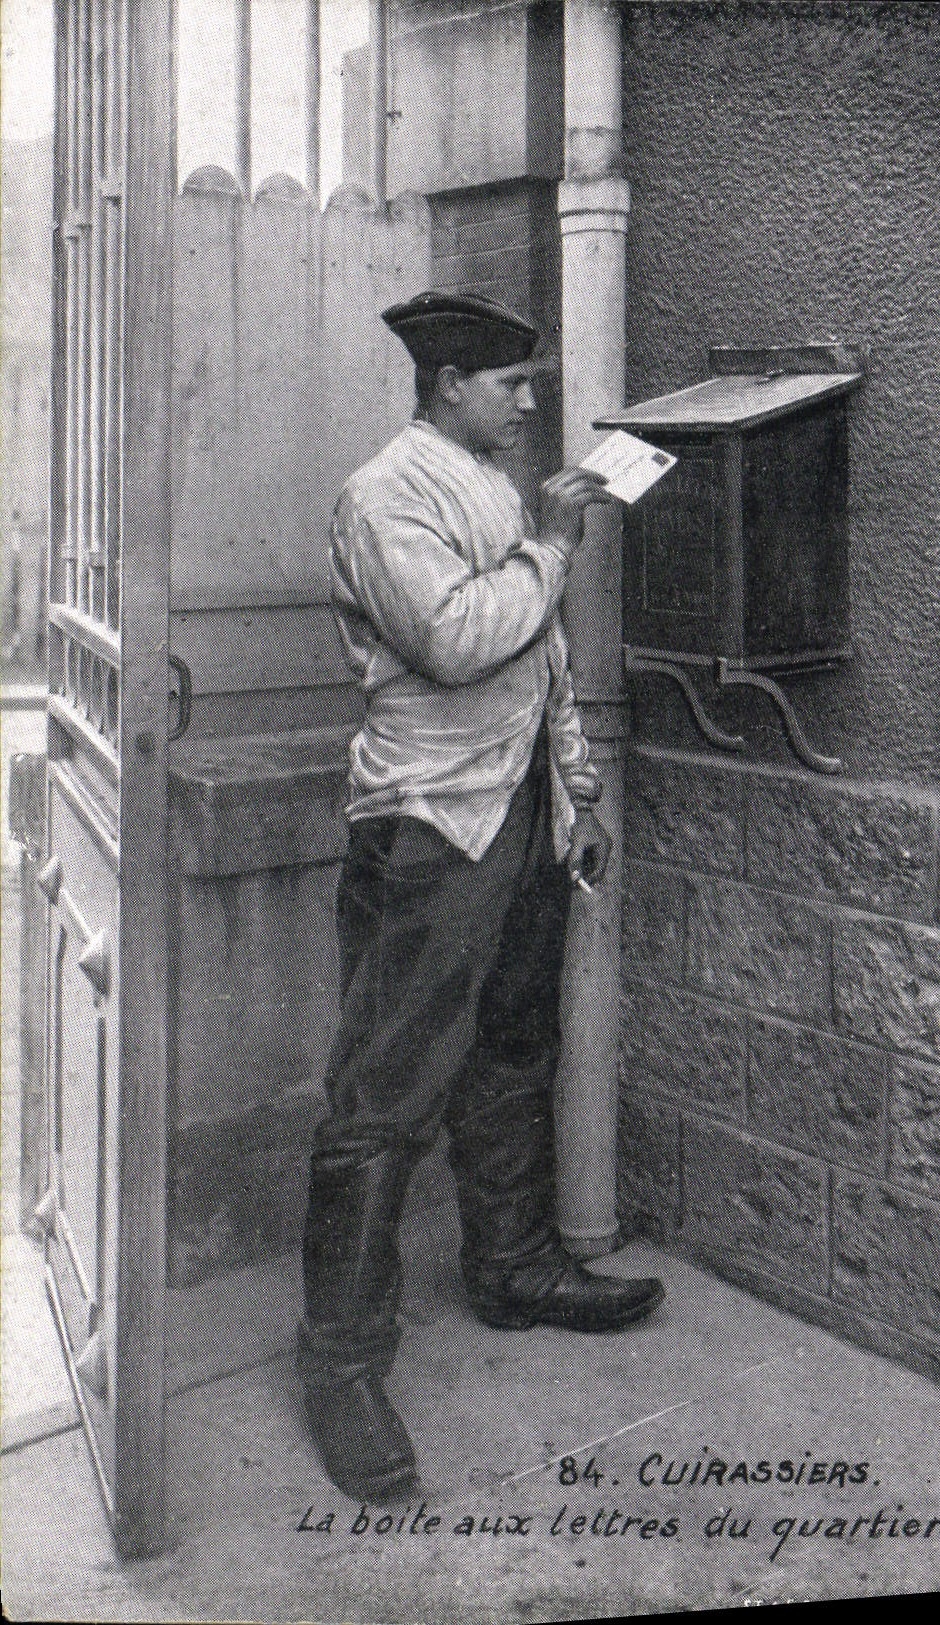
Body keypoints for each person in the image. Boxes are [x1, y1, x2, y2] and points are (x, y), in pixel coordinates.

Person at [298, 290, 665, 1504]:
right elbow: (460, 640)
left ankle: (511, 1268)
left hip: (520, 812)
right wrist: (556, 548)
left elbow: (544, 665)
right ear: (448, 381)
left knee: (514, 1047)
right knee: (383, 1089)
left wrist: (582, 792)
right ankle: (342, 1366)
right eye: (509, 384)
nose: (527, 400)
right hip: (426, 821)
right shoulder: (384, 492)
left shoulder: (490, 487)